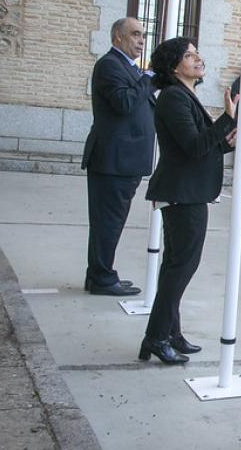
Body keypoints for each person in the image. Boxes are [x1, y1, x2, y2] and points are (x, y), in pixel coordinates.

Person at [140, 38, 238, 364]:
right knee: (181, 267)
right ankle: (156, 337)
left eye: (196, 52)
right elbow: (193, 147)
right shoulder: (172, 98)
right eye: (188, 55)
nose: (197, 58)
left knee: (174, 266)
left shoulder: (184, 96)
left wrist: (227, 142)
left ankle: (170, 332)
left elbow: (199, 147)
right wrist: (225, 120)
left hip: (188, 191)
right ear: (173, 66)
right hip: (183, 194)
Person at [81, 17, 155, 296]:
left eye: (143, 35)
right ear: (117, 37)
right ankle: (101, 277)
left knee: (111, 221)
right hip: (112, 161)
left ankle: (100, 273)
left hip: (124, 161)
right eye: (135, 34)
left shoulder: (129, 68)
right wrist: (148, 79)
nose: (141, 40)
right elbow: (124, 103)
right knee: (107, 222)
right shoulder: (110, 65)